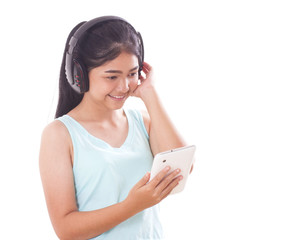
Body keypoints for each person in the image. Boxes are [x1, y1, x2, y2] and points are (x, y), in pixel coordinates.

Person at [39, 16, 190, 240]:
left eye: (132, 74)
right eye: (112, 76)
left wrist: (150, 94)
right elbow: (66, 229)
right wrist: (132, 205)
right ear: (79, 76)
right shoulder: (60, 135)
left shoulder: (144, 122)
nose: (124, 86)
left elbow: (182, 167)